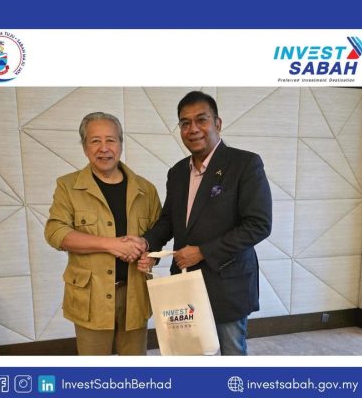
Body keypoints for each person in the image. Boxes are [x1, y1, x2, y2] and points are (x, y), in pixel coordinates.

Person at [138, 91, 272, 355]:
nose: (193, 129)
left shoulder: (244, 164)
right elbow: (169, 220)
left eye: (201, 120)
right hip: (185, 282)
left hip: (228, 283)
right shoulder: (177, 172)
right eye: (185, 123)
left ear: (217, 123)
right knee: (190, 353)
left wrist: (203, 252)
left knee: (232, 353)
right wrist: (147, 244)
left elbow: (258, 224)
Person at [44, 112, 161, 355]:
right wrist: (111, 244)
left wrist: (151, 257)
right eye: (95, 141)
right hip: (91, 298)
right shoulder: (68, 186)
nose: (104, 148)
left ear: (120, 144)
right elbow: (55, 232)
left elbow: (157, 235)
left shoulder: (146, 189)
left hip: (135, 295)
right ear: (84, 147)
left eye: (111, 140)